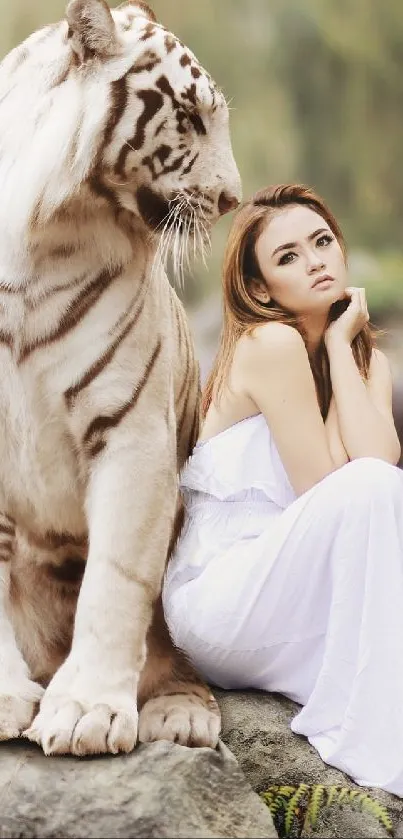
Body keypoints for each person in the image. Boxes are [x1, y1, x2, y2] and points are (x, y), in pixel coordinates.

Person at [162, 183, 403, 796]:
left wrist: (345, 354)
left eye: (322, 242)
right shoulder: (270, 344)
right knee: (374, 489)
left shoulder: (368, 359)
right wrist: (334, 348)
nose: (316, 260)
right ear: (261, 288)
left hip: (291, 590)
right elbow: (330, 488)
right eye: (288, 256)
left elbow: (376, 460)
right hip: (220, 597)